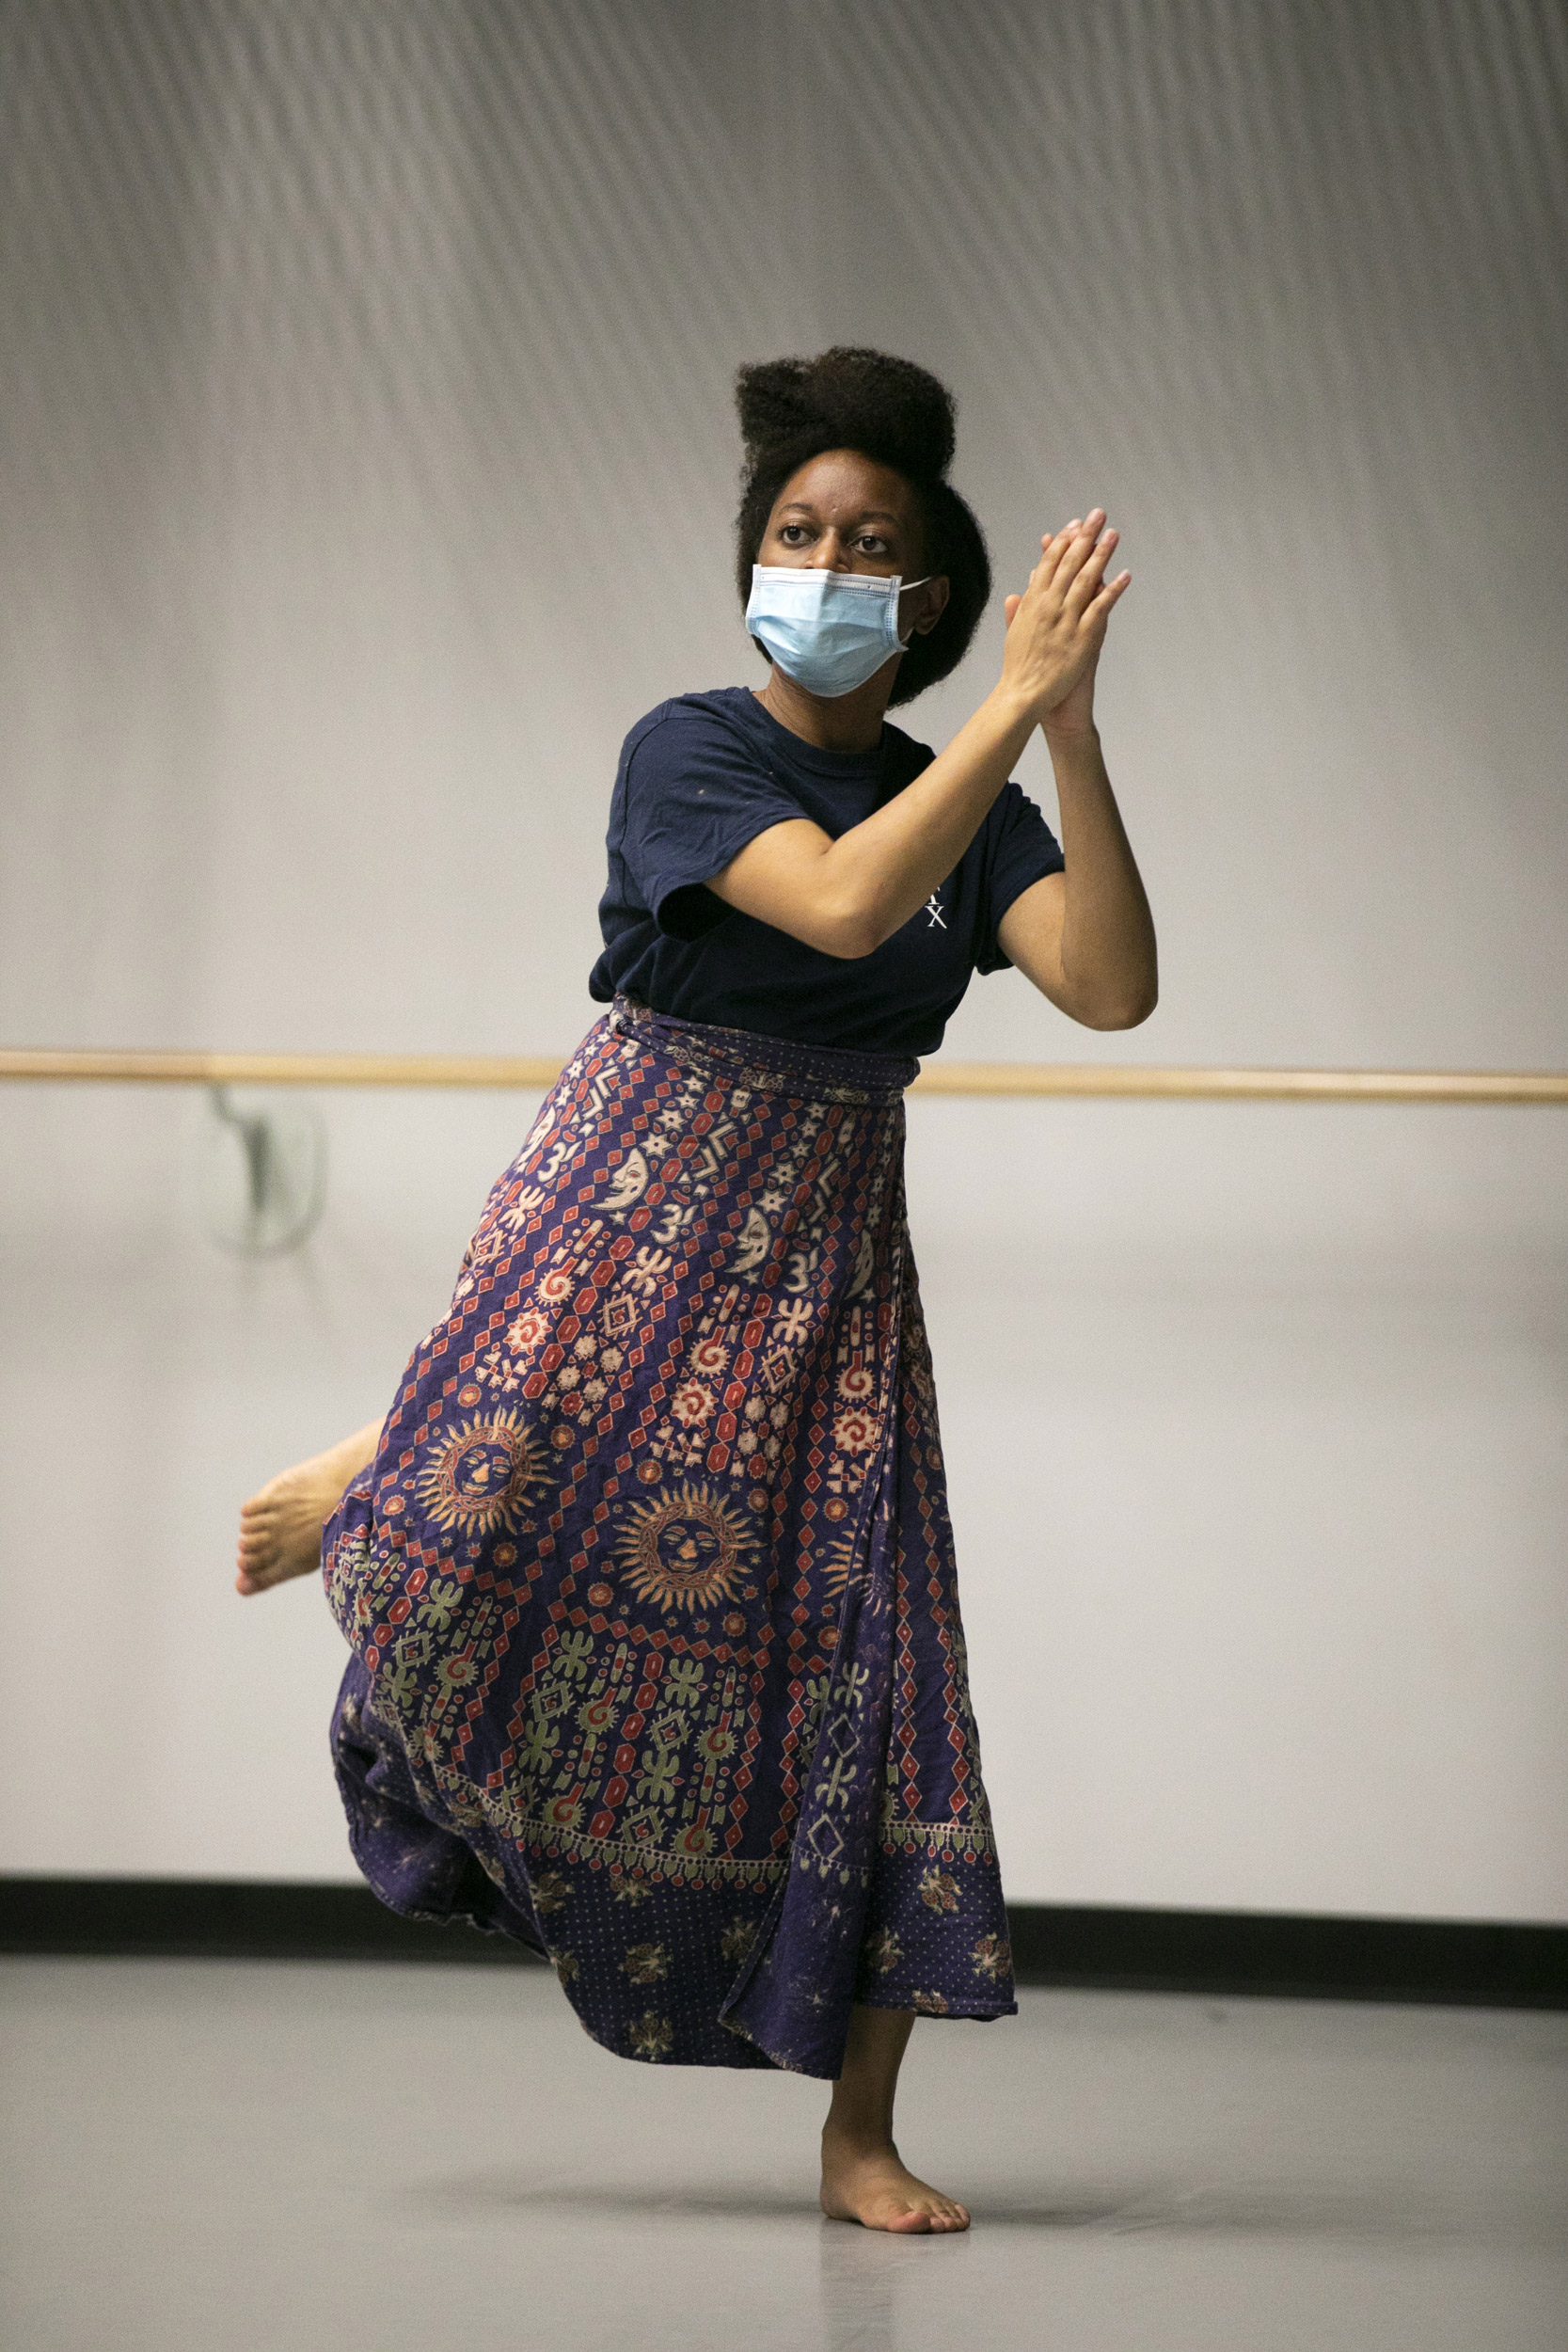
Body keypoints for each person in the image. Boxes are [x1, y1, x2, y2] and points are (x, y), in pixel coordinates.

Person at [236, 346, 1155, 2233]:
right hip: (638, 1182)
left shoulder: (969, 797)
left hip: (829, 1238)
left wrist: (1063, 726)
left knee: (887, 1660)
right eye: (796, 531)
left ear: (931, 600)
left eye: (866, 542)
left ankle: (860, 2130)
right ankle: (398, 1459)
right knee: (476, 1518)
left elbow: (1115, 984)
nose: (820, 560)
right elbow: (826, 903)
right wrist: (1001, 712)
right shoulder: (691, 747)